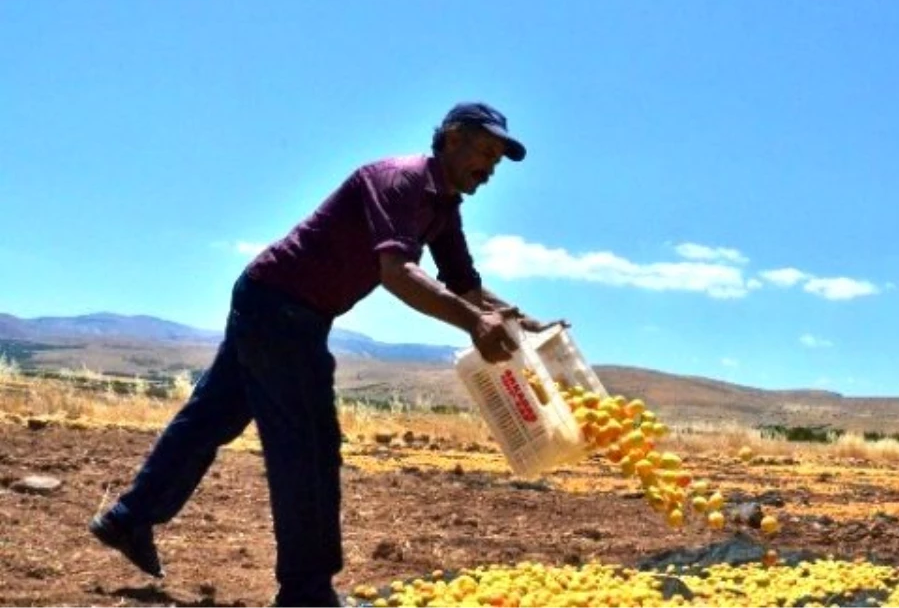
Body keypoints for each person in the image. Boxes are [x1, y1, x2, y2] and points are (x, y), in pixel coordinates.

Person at [88, 102, 565, 606]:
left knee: (211, 418)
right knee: (309, 448)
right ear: (450, 138)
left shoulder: (444, 208)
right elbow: (397, 272)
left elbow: (465, 286)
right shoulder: (399, 181)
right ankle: (307, 591)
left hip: (281, 304)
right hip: (281, 306)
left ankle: (128, 519)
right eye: (485, 151)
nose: (490, 168)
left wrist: (517, 320)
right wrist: (474, 324)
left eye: (497, 160)